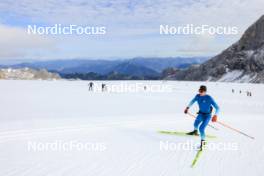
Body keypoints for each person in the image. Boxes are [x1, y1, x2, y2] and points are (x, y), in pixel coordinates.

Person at [184, 85, 220, 149]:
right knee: (195, 124)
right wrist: (187, 108)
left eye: (201, 91)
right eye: (199, 91)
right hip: (201, 114)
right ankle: (195, 131)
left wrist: (215, 115)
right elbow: (192, 101)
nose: (200, 92)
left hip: (207, 116)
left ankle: (203, 143)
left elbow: (217, 108)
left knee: (201, 128)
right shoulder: (197, 96)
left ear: (205, 91)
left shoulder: (209, 98)